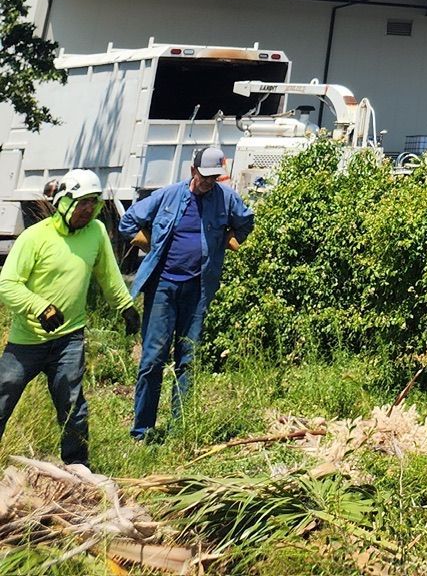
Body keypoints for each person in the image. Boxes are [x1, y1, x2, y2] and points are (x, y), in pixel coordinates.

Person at [0, 168, 140, 467]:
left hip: (69, 340)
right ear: (63, 202)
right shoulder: (34, 238)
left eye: (93, 202)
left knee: (73, 408)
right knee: (3, 397)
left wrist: (125, 306)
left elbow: (108, 274)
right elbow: (7, 284)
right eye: (81, 202)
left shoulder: (96, 233)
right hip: (27, 342)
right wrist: (39, 307)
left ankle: (78, 471)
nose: (88, 209)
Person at [119, 147, 254, 442]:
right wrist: (151, 246)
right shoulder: (168, 196)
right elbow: (127, 222)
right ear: (192, 171)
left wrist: (229, 241)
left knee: (187, 360)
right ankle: (142, 431)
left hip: (198, 290)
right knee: (153, 359)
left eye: (214, 177)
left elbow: (246, 222)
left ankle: (181, 430)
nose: (209, 182)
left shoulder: (226, 198)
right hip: (163, 287)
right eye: (205, 176)